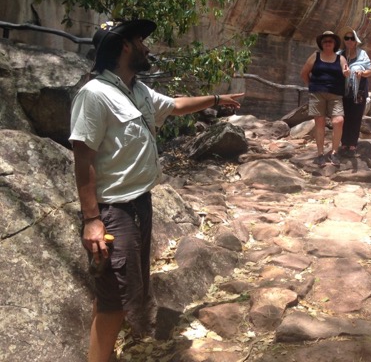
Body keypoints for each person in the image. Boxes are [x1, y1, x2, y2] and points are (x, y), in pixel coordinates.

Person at [69, 19, 244, 362]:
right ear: (123, 47)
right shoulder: (94, 94)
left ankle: (100, 352)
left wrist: (217, 99)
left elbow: (175, 106)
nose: (147, 47)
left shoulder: (135, 90)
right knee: (115, 300)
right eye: (140, 41)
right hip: (112, 210)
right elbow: (83, 159)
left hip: (139, 205)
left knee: (112, 292)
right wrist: (92, 220)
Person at [300, 30, 349, 167]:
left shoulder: (340, 59)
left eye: (330, 41)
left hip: (335, 94)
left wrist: (346, 73)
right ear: (322, 44)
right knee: (319, 122)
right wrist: (311, 86)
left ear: (334, 44)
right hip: (317, 93)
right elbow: (304, 73)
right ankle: (320, 154)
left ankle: (334, 152)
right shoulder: (315, 56)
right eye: (325, 41)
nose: (328, 43)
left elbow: (346, 73)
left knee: (338, 120)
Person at [338, 27, 371, 156]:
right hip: (342, 91)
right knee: (343, 117)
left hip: (359, 92)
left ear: (356, 41)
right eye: (347, 38)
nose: (349, 40)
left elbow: (370, 71)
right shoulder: (339, 54)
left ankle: (352, 144)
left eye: (352, 38)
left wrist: (361, 72)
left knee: (355, 117)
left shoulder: (362, 54)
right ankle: (343, 143)